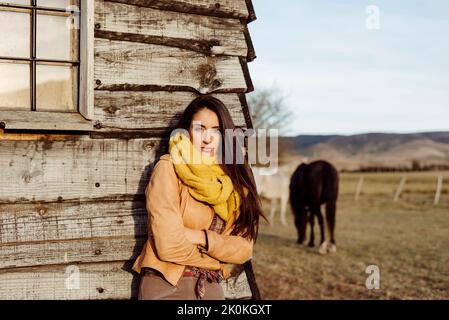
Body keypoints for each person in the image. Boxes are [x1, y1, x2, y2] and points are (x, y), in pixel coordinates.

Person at [132, 95, 267, 300]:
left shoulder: (232, 180)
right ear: (186, 131)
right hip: (166, 286)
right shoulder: (168, 168)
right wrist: (217, 260)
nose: (207, 138)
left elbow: (244, 249)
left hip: (210, 286)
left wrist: (200, 237)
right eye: (200, 128)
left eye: (216, 130)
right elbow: (168, 246)